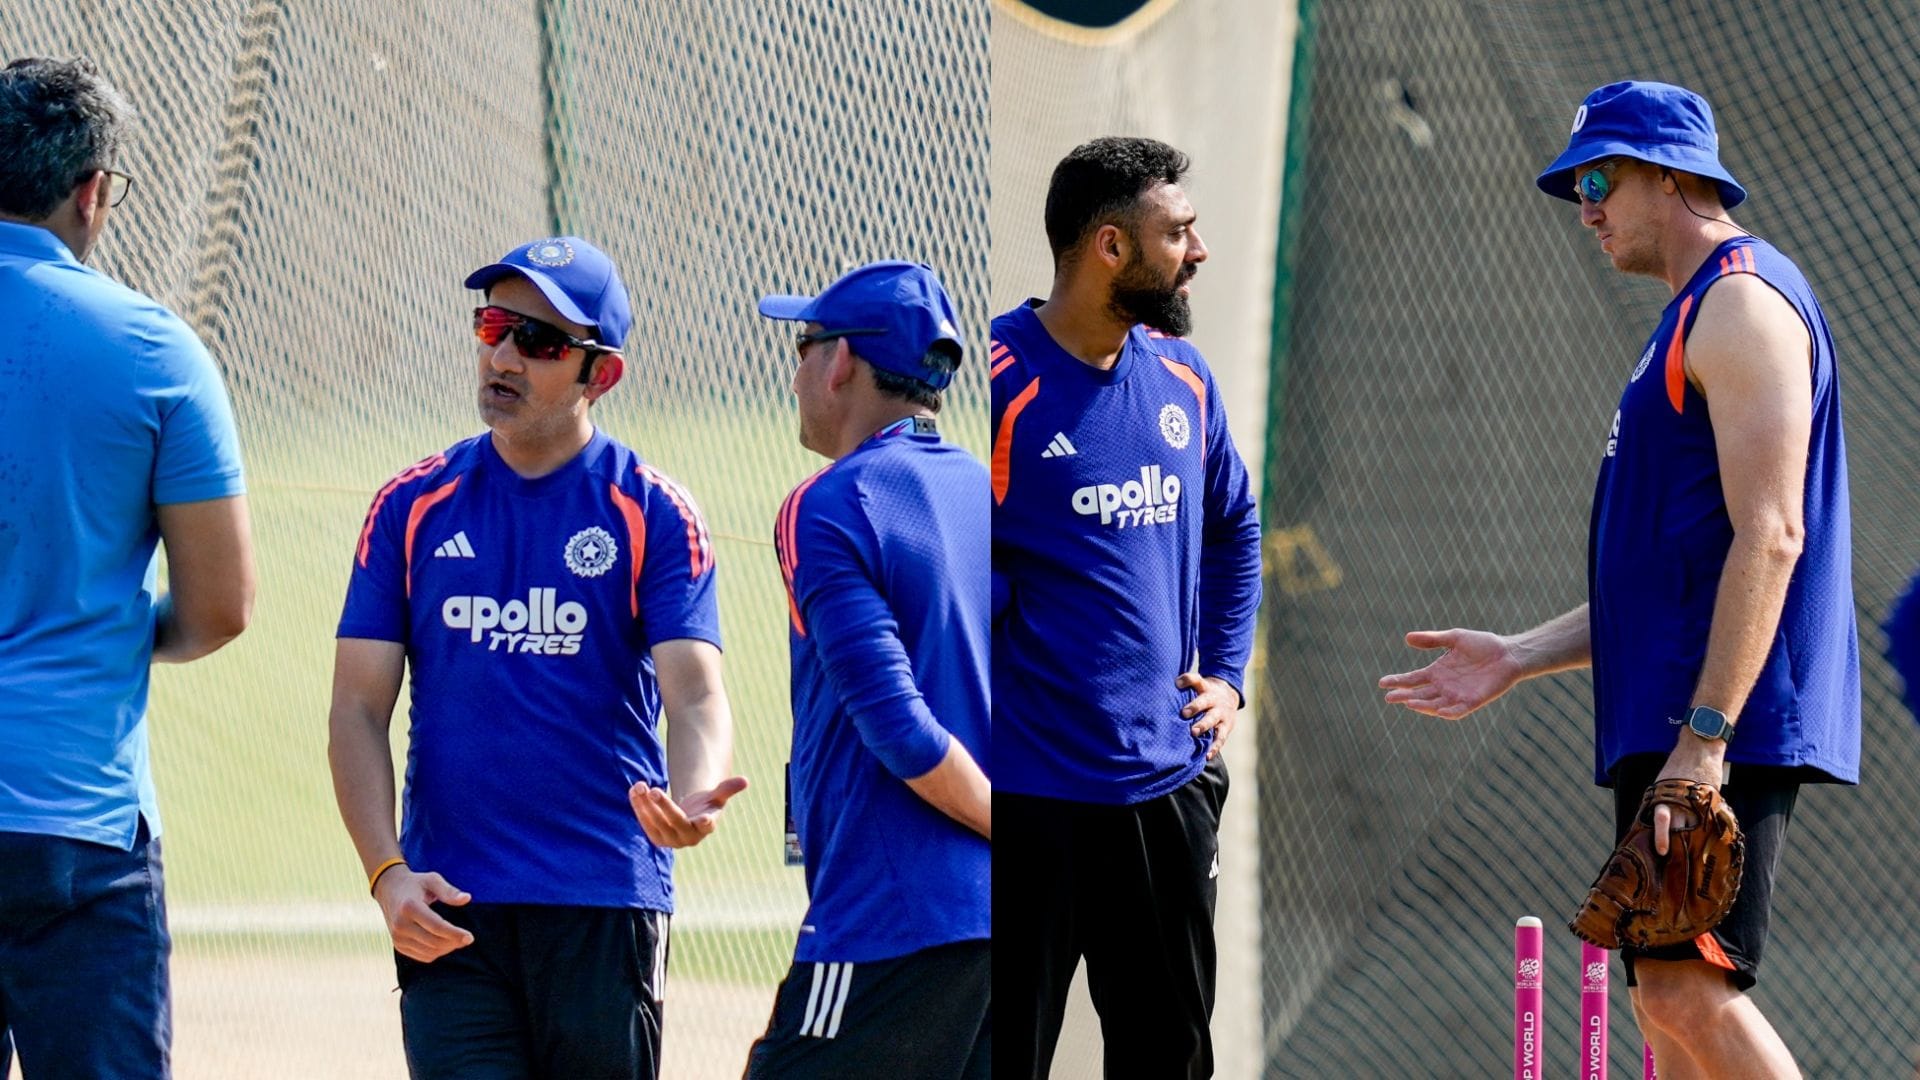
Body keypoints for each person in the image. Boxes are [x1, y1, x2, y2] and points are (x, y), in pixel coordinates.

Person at [1380, 81, 1857, 1078]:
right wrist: (1519, 654)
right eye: (1576, 190)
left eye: (1599, 181)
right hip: (1680, 714)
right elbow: (1665, 580)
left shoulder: (1740, 302)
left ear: (1672, 176)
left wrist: (1705, 739)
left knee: (1685, 991)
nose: (1585, 208)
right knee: (1663, 1006)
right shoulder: (1691, 314)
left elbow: (1773, 536)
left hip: (1718, 718)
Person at [327, 236, 746, 1080]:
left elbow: (696, 695)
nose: (504, 357)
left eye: (541, 341)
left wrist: (694, 791)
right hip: (450, 905)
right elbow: (356, 710)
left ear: (602, 374)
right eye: (494, 327)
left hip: (603, 897)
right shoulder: (411, 504)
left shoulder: (652, 510)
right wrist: (387, 874)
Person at [0, 56, 255, 1080]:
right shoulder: (154, 351)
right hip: (76, 819)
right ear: (94, 190)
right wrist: (94, 627)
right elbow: (221, 607)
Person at [991, 137, 1263, 1078]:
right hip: (1027, 801)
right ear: (1111, 247)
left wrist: (1226, 674)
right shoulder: (998, 384)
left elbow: (1235, 525)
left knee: (1169, 1061)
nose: (1198, 250)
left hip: (1167, 791)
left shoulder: (1183, 375)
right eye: (1178, 232)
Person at [745, 261, 991, 1076]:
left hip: (889, 920)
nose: (796, 374)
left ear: (841, 361)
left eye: (804, 348)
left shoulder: (830, 504)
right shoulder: (985, 492)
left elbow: (898, 725)